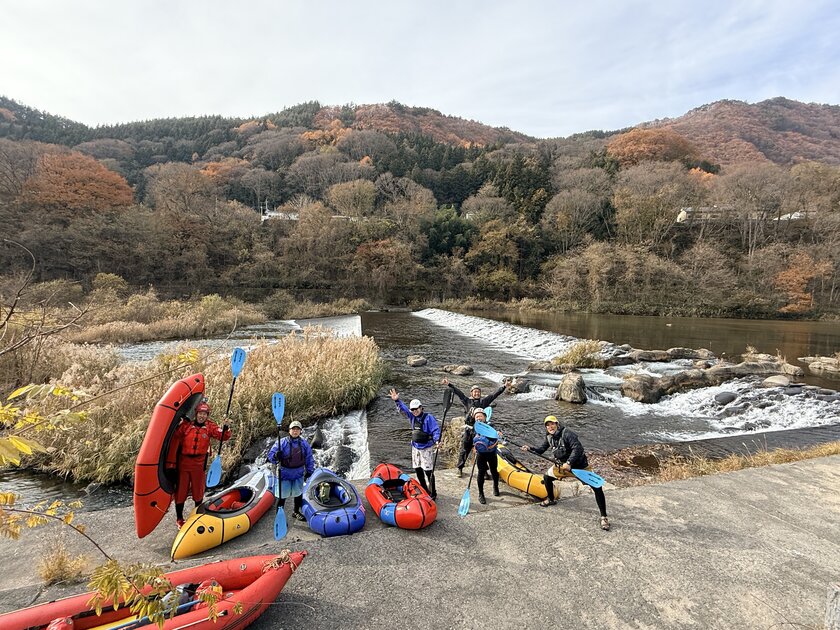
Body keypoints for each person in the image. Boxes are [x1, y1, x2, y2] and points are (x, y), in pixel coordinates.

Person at [520, 415, 610, 531]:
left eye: (552, 424)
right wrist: (530, 449)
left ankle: (604, 517)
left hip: (579, 467)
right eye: (547, 425)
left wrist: (569, 462)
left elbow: (577, 448)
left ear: (557, 424)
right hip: (561, 466)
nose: (550, 427)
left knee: (597, 487)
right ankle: (551, 499)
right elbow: (541, 449)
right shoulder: (549, 437)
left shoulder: (567, 433)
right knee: (547, 477)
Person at [165, 401, 232, 528]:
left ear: (207, 415)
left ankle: (198, 516)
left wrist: (226, 429)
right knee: (181, 491)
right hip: (184, 463)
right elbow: (175, 437)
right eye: (200, 413)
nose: (202, 416)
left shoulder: (210, 426)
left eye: (205, 414)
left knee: (198, 491)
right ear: (196, 414)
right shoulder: (186, 426)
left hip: (199, 464)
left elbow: (223, 436)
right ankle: (179, 519)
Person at [441, 377, 508, 477]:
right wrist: (449, 384)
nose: (477, 393)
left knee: (482, 451)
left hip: (480, 431)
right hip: (469, 430)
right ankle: (460, 468)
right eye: (475, 392)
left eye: (478, 392)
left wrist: (504, 387)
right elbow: (458, 392)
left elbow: (494, 395)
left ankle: (484, 471)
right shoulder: (467, 401)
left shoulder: (484, 402)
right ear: (471, 393)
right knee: (465, 450)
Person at [389, 388, 441, 499]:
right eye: (412, 409)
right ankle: (424, 489)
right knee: (418, 469)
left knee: (428, 471)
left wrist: (437, 440)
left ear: (421, 408)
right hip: (415, 447)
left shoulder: (428, 418)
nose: (414, 411)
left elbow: (436, 430)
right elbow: (403, 410)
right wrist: (397, 400)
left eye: (416, 409)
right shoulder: (412, 416)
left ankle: (433, 492)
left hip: (426, 447)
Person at [268, 420, 315, 522]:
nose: (295, 431)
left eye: (297, 429)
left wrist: (309, 471)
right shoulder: (281, 442)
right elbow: (270, 456)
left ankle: (296, 512)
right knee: (282, 497)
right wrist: (276, 456)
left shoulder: (304, 444)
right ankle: (279, 517)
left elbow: (309, 458)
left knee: (298, 495)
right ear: (289, 431)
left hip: (298, 474)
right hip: (284, 474)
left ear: (300, 431)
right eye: (293, 429)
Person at [471, 408, 500, 504]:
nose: (478, 418)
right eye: (476, 416)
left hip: (491, 453)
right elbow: (470, 441)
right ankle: (481, 494)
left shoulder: (490, 426)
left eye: (480, 416)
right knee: (481, 473)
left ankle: (495, 486)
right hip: (481, 454)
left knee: (494, 471)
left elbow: (496, 437)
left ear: (485, 417)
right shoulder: (473, 428)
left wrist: (498, 434)